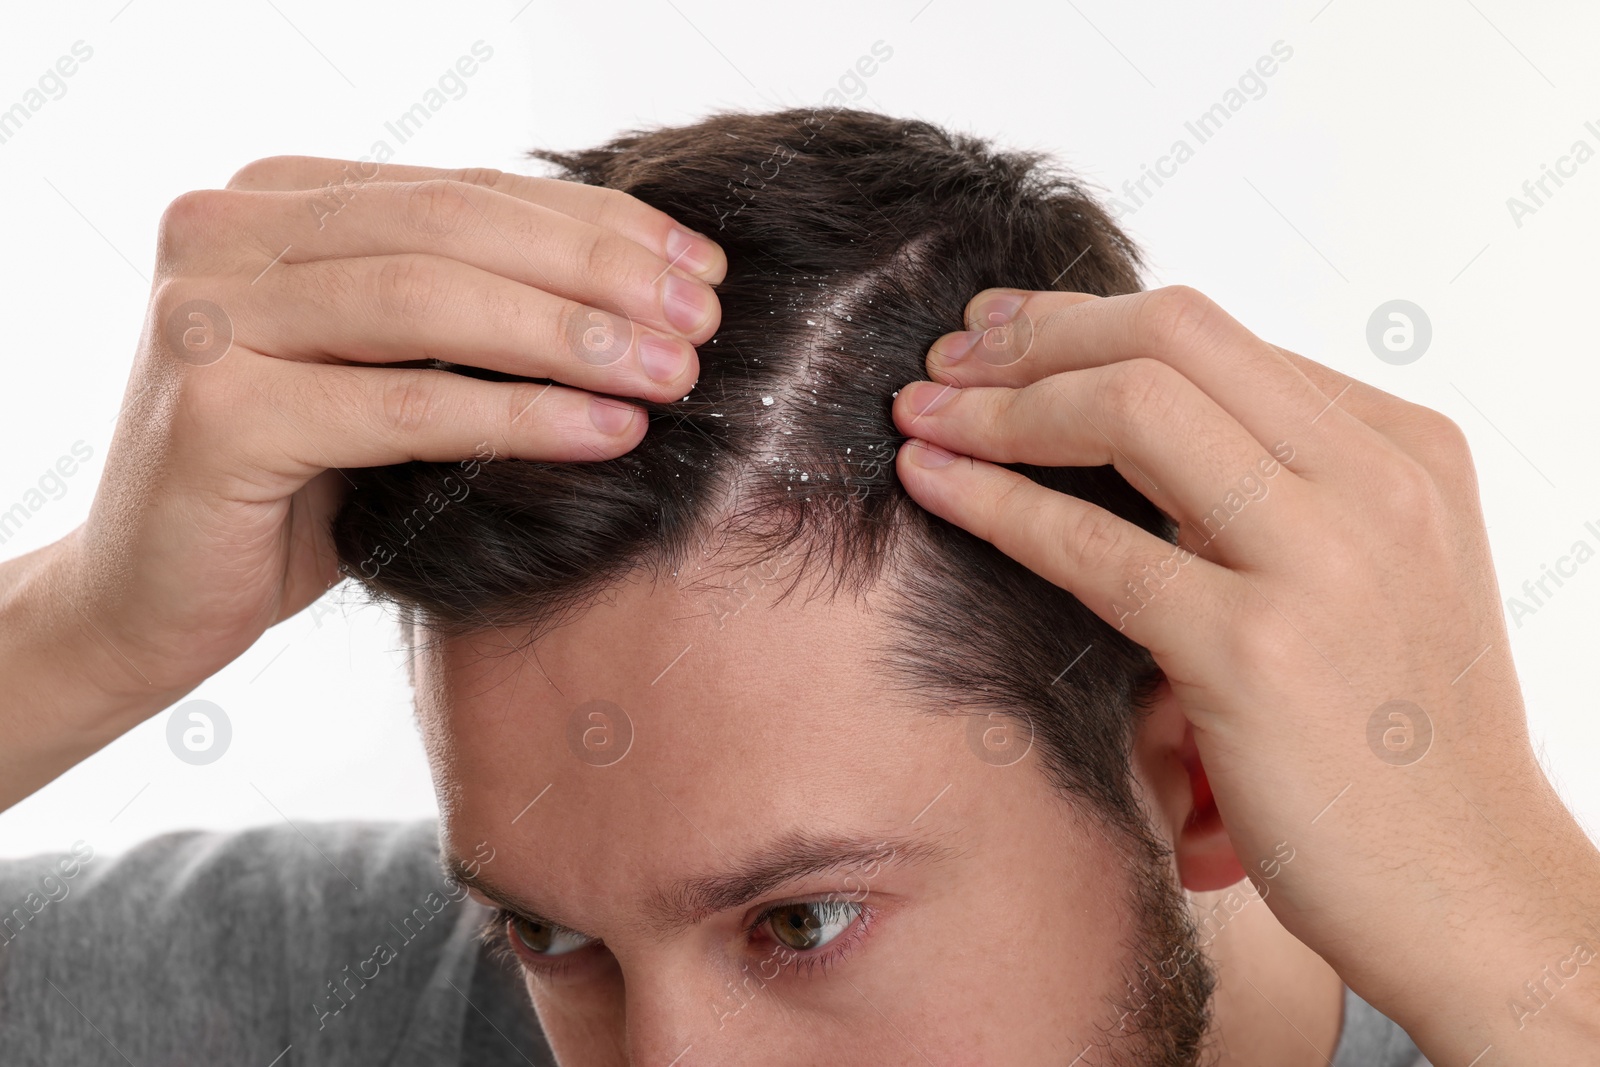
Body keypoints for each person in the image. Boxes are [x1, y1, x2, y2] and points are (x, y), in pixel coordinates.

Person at [1, 108, 1595, 1066]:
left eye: (803, 920)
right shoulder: (340, 998)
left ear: (1194, 781)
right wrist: (75, 637)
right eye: (550, 936)